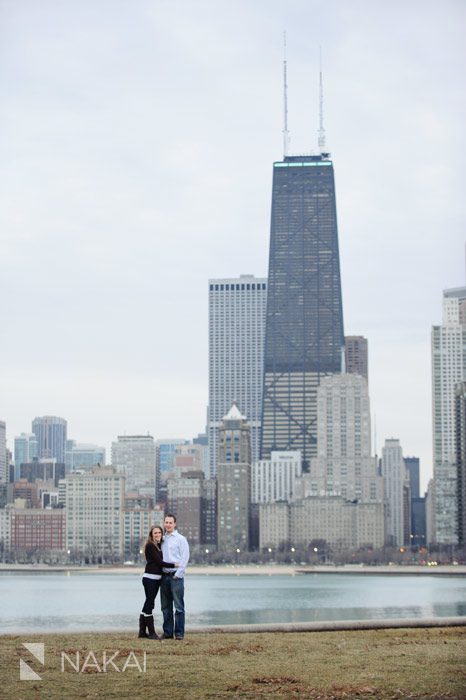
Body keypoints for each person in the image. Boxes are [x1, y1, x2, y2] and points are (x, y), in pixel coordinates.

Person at [139, 525, 177, 640]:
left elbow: (165, 543)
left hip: (156, 579)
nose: (158, 535)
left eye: (159, 533)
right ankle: (151, 632)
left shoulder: (158, 545)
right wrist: (175, 565)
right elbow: (160, 562)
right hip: (150, 578)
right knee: (150, 604)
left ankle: (141, 632)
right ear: (151, 535)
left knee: (148, 603)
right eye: (155, 533)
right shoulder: (150, 546)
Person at [160, 513, 190, 640]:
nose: (168, 525)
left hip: (176, 576)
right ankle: (167, 632)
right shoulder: (161, 539)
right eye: (166, 522)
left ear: (175, 524)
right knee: (165, 607)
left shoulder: (181, 539)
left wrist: (178, 574)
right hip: (164, 576)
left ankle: (179, 633)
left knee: (178, 607)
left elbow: (185, 557)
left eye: (170, 523)